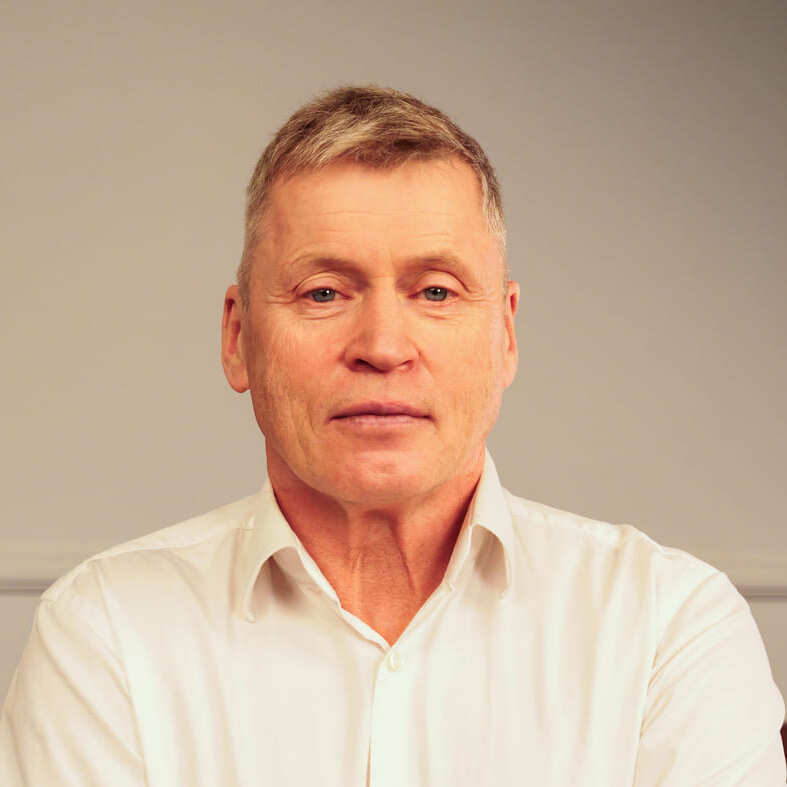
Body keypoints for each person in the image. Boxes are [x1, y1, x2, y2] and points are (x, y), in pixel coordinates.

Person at [1, 85, 784, 786]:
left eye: (435, 291)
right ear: (238, 338)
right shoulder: (105, 630)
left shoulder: (667, 627)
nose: (381, 345)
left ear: (505, 335)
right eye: (323, 292)